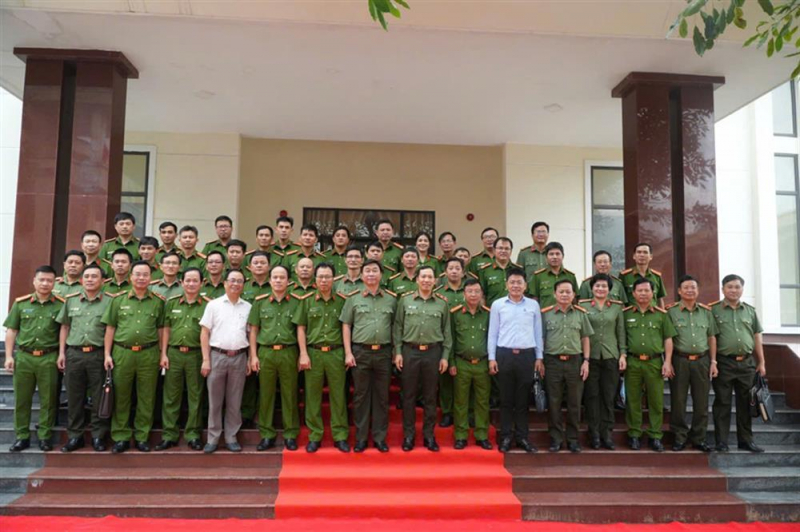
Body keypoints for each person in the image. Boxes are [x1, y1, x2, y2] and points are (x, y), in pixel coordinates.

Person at [102, 261, 166, 453]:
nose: (141, 278)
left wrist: (163, 354)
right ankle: (121, 436)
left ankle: (141, 436)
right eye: (137, 274)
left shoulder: (158, 301)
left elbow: (162, 329)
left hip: (149, 353)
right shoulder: (118, 300)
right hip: (122, 353)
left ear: (151, 278)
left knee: (146, 397)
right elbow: (110, 328)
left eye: (145, 275)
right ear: (131, 277)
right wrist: (107, 354)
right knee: (121, 396)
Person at [5, 266, 64, 452]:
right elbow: (12, 330)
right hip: (24, 356)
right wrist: (8, 356)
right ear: (34, 281)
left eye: (49, 280)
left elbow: (64, 330)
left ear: (54, 282)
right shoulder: (21, 304)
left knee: (48, 400)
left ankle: (44, 436)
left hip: (48, 357)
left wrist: (61, 353)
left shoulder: (60, 305)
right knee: (22, 399)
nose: (45, 284)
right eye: (42, 280)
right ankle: (22, 436)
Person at [340, 259, 397, 453]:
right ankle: (361, 438)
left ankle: (380, 438)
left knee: (382, 396)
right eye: (367, 271)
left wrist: (396, 353)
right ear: (362, 276)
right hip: (360, 352)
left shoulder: (391, 299)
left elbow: (397, 328)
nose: (371, 274)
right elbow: (346, 325)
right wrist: (348, 352)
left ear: (381, 275)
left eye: (375, 271)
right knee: (361, 396)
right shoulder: (353, 298)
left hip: (384, 353)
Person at [393, 265, 451, 452]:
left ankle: (429, 435)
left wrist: (445, 356)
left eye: (430, 277)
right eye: (423, 277)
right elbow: (398, 327)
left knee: (430, 397)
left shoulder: (442, 303)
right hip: (410, 352)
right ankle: (409, 435)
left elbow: (447, 332)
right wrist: (398, 352)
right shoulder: (405, 300)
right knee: (408, 396)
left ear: (435, 281)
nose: (426, 280)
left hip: (433, 352)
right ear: (417, 279)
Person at [295, 263, 350, 453]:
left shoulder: (342, 301)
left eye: (327, 277)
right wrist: (303, 353)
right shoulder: (307, 300)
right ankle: (315, 435)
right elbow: (301, 327)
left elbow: (346, 327)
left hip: (336, 352)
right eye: (320, 277)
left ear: (334, 279)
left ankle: (340, 435)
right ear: (315, 279)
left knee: (338, 396)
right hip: (313, 353)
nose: (324, 280)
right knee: (312, 396)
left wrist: (347, 353)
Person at [57, 263, 112, 452]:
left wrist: (107, 355)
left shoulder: (110, 301)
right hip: (74, 354)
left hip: (97, 354)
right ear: (81, 280)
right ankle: (75, 436)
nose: (90, 279)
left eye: (94, 276)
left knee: (99, 397)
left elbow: (110, 330)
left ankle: (98, 436)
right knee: (74, 397)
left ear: (103, 281)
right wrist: (62, 352)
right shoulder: (71, 300)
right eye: (86, 276)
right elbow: (64, 327)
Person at [488, 267, 543, 453]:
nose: (516, 285)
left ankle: (522, 437)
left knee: (522, 401)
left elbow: (538, 332)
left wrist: (539, 357)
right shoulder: (497, 305)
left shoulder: (533, 306)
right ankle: (505, 438)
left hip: (527, 356)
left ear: (525, 285)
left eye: (519, 282)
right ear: (506, 284)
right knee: (506, 400)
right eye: (512, 282)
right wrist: (491, 358)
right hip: (504, 355)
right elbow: (492, 334)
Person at [710, 274, 767, 453]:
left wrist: (762, 362)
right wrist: (713, 361)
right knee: (722, 403)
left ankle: (746, 440)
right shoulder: (714, 310)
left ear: (742, 289)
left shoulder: (750, 311)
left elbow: (757, 336)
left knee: (746, 403)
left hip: (747, 364)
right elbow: (711, 337)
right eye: (729, 287)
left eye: (737, 287)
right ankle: (722, 441)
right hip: (724, 363)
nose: (733, 290)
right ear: (722, 289)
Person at [248, 265, 302, 452]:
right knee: (266, 395)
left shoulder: (297, 302)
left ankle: (290, 434)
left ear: (289, 281)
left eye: (282, 277)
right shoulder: (260, 302)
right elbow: (254, 330)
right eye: (275, 277)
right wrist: (253, 356)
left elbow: (300, 330)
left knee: (290, 394)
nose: (278, 280)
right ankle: (267, 434)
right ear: (270, 280)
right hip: (266, 353)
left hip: (288, 352)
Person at [156, 267, 209, 452]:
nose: (191, 284)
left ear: (202, 283)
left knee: (195, 396)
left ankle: (193, 435)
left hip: (196, 354)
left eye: (195, 280)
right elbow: (166, 329)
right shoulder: (171, 303)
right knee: (171, 396)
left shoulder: (208, 305)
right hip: (174, 354)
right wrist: (163, 353)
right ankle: (169, 435)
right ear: (182, 282)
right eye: (188, 280)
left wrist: (205, 358)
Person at [199, 268, 251, 453]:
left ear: (243, 285)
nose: (235, 284)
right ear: (225, 283)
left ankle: (231, 436)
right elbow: (204, 332)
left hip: (239, 356)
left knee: (235, 400)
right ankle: (213, 438)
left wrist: (250, 358)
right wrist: (206, 359)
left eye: (239, 281)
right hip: (217, 356)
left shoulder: (248, 307)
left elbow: (251, 335)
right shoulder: (213, 305)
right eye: (232, 280)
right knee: (215, 400)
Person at [623, 277, 676, 452]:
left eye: (647, 290)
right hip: (633, 361)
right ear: (633, 293)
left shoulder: (662, 315)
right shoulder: (626, 314)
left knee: (656, 400)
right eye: (640, 291)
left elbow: (668, 339)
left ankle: (655, 436)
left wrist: (667, 362)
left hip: (654, 361)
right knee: (633, 400)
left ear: (653, 293)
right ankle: (635, 434)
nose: (644, 294)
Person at [667, 275, 718, 452]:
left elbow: (711, 337)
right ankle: (679, 437)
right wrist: (668, 361)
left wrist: (713, 361)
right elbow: (668, 339)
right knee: (678, 401)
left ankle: (699, 438)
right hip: (679, 360)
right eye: (686, 287)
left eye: (693, 287)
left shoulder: (706, 312)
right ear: (679, 291)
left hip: (702, 361)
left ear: (698, 290)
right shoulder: (671, 312)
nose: (690, 290)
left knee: (701, 402)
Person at [541, 280, 593, 453]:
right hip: (552, 361)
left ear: (573, 295)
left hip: (574, 362)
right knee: (554, 402)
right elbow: (541, 338)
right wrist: (539, 360)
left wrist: (586, 361)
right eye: (561, 292)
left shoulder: (580, 314)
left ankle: (572, 439)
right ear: (555, 294)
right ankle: (555, 439)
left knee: (574, 403)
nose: (564, 295)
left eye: (568, 292)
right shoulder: (546, 314)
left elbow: (585, 338)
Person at [579, 273, 626, 450]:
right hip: (590, 358)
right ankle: (594, 435)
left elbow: (620, 332)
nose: (600, 289)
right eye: (597, 286)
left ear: (609, 289)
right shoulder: (583, 306)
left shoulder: (616, 307)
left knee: (608, 397)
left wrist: (623, 354)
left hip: (610, 356)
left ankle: (607, 435)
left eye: (604, 286)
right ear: (592, 288)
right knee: (592, 397)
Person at [449, 278, 492, 450]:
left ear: (481, 294)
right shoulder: (456, 314)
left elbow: (492, 338)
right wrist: (451, 362)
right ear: (464, 293)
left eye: (476, 291)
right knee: (461, 401)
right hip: (461, 363)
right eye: (470, 291)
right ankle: (461, 435)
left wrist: (491, 361)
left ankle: (481, 435)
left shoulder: (488, 314)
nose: (473, 295)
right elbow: (450, 339)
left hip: (482, 363)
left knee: (482, 401)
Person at [528, 242, 578, 309]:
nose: (554, 257)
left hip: (567, 317)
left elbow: (575, 300)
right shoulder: (538, 276)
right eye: (551, 254)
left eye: (557, 254)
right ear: (546, 257)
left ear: (562, 256)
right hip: (545, 317)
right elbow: (533, 300)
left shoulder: (570, 276)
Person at [620, 243, 666, 308]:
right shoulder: (625, 276)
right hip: (632, 315)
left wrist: (663, 316)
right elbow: (621, 300)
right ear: (634, 256)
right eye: (639, 252)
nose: (642, 255)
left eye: (645, 252)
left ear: (651, 256)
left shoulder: (656, 276)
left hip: (653, 315)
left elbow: (660, 298)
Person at [478, 236, 519, 306]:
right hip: (493, 312)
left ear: (511, 251)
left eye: (506, 249)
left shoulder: (518, 269)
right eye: (500, 248)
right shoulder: (485, 270)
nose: (503, 251)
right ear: (494, 250)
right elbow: (482, 296)